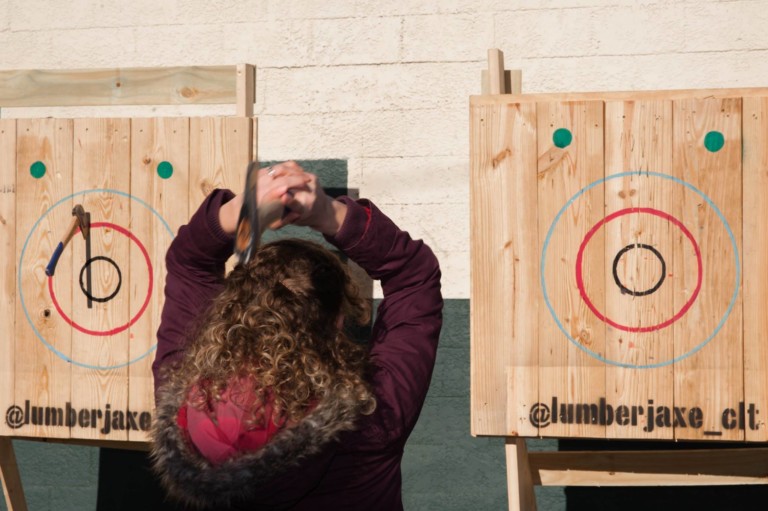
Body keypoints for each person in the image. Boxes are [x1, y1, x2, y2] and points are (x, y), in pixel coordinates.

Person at [150, 161, 443, 510]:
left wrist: (244, 211)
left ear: (232, 310)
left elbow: (189, 261)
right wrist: (326, 214)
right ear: (336, 320)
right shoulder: (373, 414)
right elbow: (413, 275)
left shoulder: (187, 394)